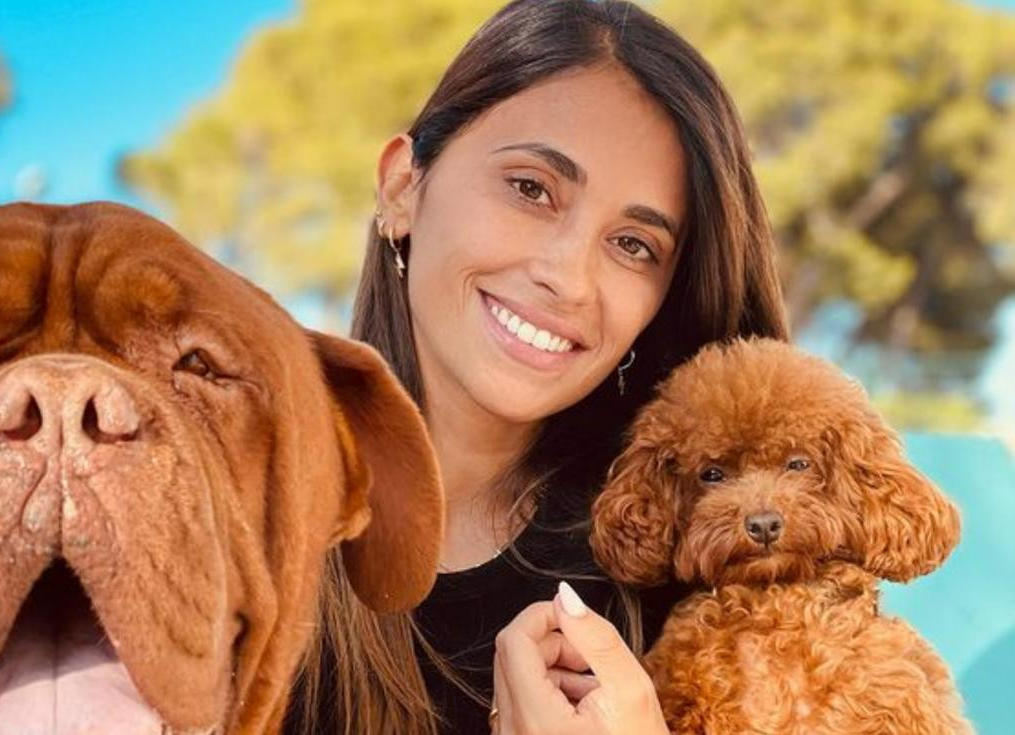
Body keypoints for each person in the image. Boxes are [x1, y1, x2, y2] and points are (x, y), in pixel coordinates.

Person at [285, 1, 789, 733]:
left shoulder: (702, 564)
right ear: (403, 188)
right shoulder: (229, 510)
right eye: (531, 188)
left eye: (634, 245)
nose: (570, 278)